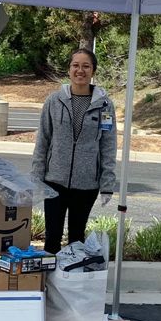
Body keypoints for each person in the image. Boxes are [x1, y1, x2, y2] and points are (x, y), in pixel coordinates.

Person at [31, 48, 118, 254]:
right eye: (75, 65)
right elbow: (42, 141)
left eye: (86, 66)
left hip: (87, 184)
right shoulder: (54, 101)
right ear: (69, 70)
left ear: (93, 71)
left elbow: (108, 145)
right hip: (54, 181)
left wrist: (107, 183)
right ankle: (49, 284)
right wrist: (36, 177)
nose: (80, 70)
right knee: (52, 237)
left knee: (76, 239)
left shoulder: (105, 105)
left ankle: (70, 283)